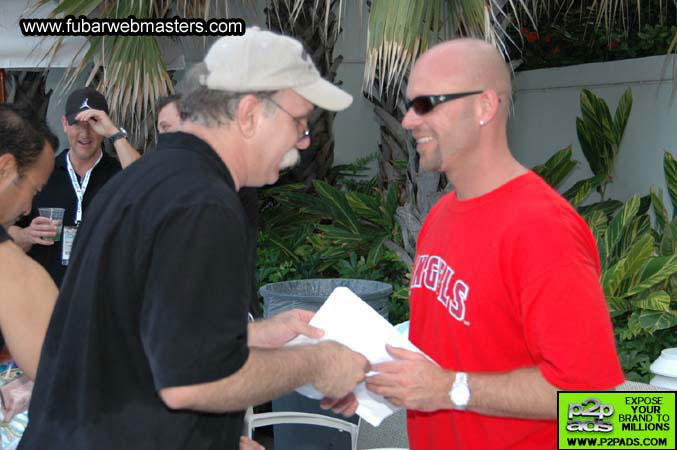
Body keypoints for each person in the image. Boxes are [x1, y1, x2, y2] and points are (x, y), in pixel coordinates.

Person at [18, 27, 369, 450]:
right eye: (299, 122)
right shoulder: (204, 204)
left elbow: (147, 343)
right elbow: (195, 379)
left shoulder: (147, 181)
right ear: (250, 114)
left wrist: (255, 336)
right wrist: (318, 362)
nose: (304, 141)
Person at [365, 38, 624, 449]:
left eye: (427, 103)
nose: (410, 121)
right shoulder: (438, 217)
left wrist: (452, 388)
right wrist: (370, 380)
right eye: (409, 106)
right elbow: (450, 353)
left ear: (485, 106)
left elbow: (589, 397)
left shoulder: (542, 227)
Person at [8, 87, 141, 286]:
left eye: (93, 124)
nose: (85, 133)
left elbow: (145, 181)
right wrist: (27, 235)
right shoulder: (43, 173)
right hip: (50, 296)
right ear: (64, 124)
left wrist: (114, 133)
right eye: (77, 124)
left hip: (102, 298)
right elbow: (6, 233)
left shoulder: (119, 172)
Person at [156, 93, 262, 317]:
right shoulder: (173, 177)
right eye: (160, 131)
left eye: (168, 128)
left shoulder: (227, 178)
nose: (163, 139)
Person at [0, 103, 58, 381]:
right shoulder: (11, 267)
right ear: (5, 168)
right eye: (34, 189)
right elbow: (56, 367)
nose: (28, 207)